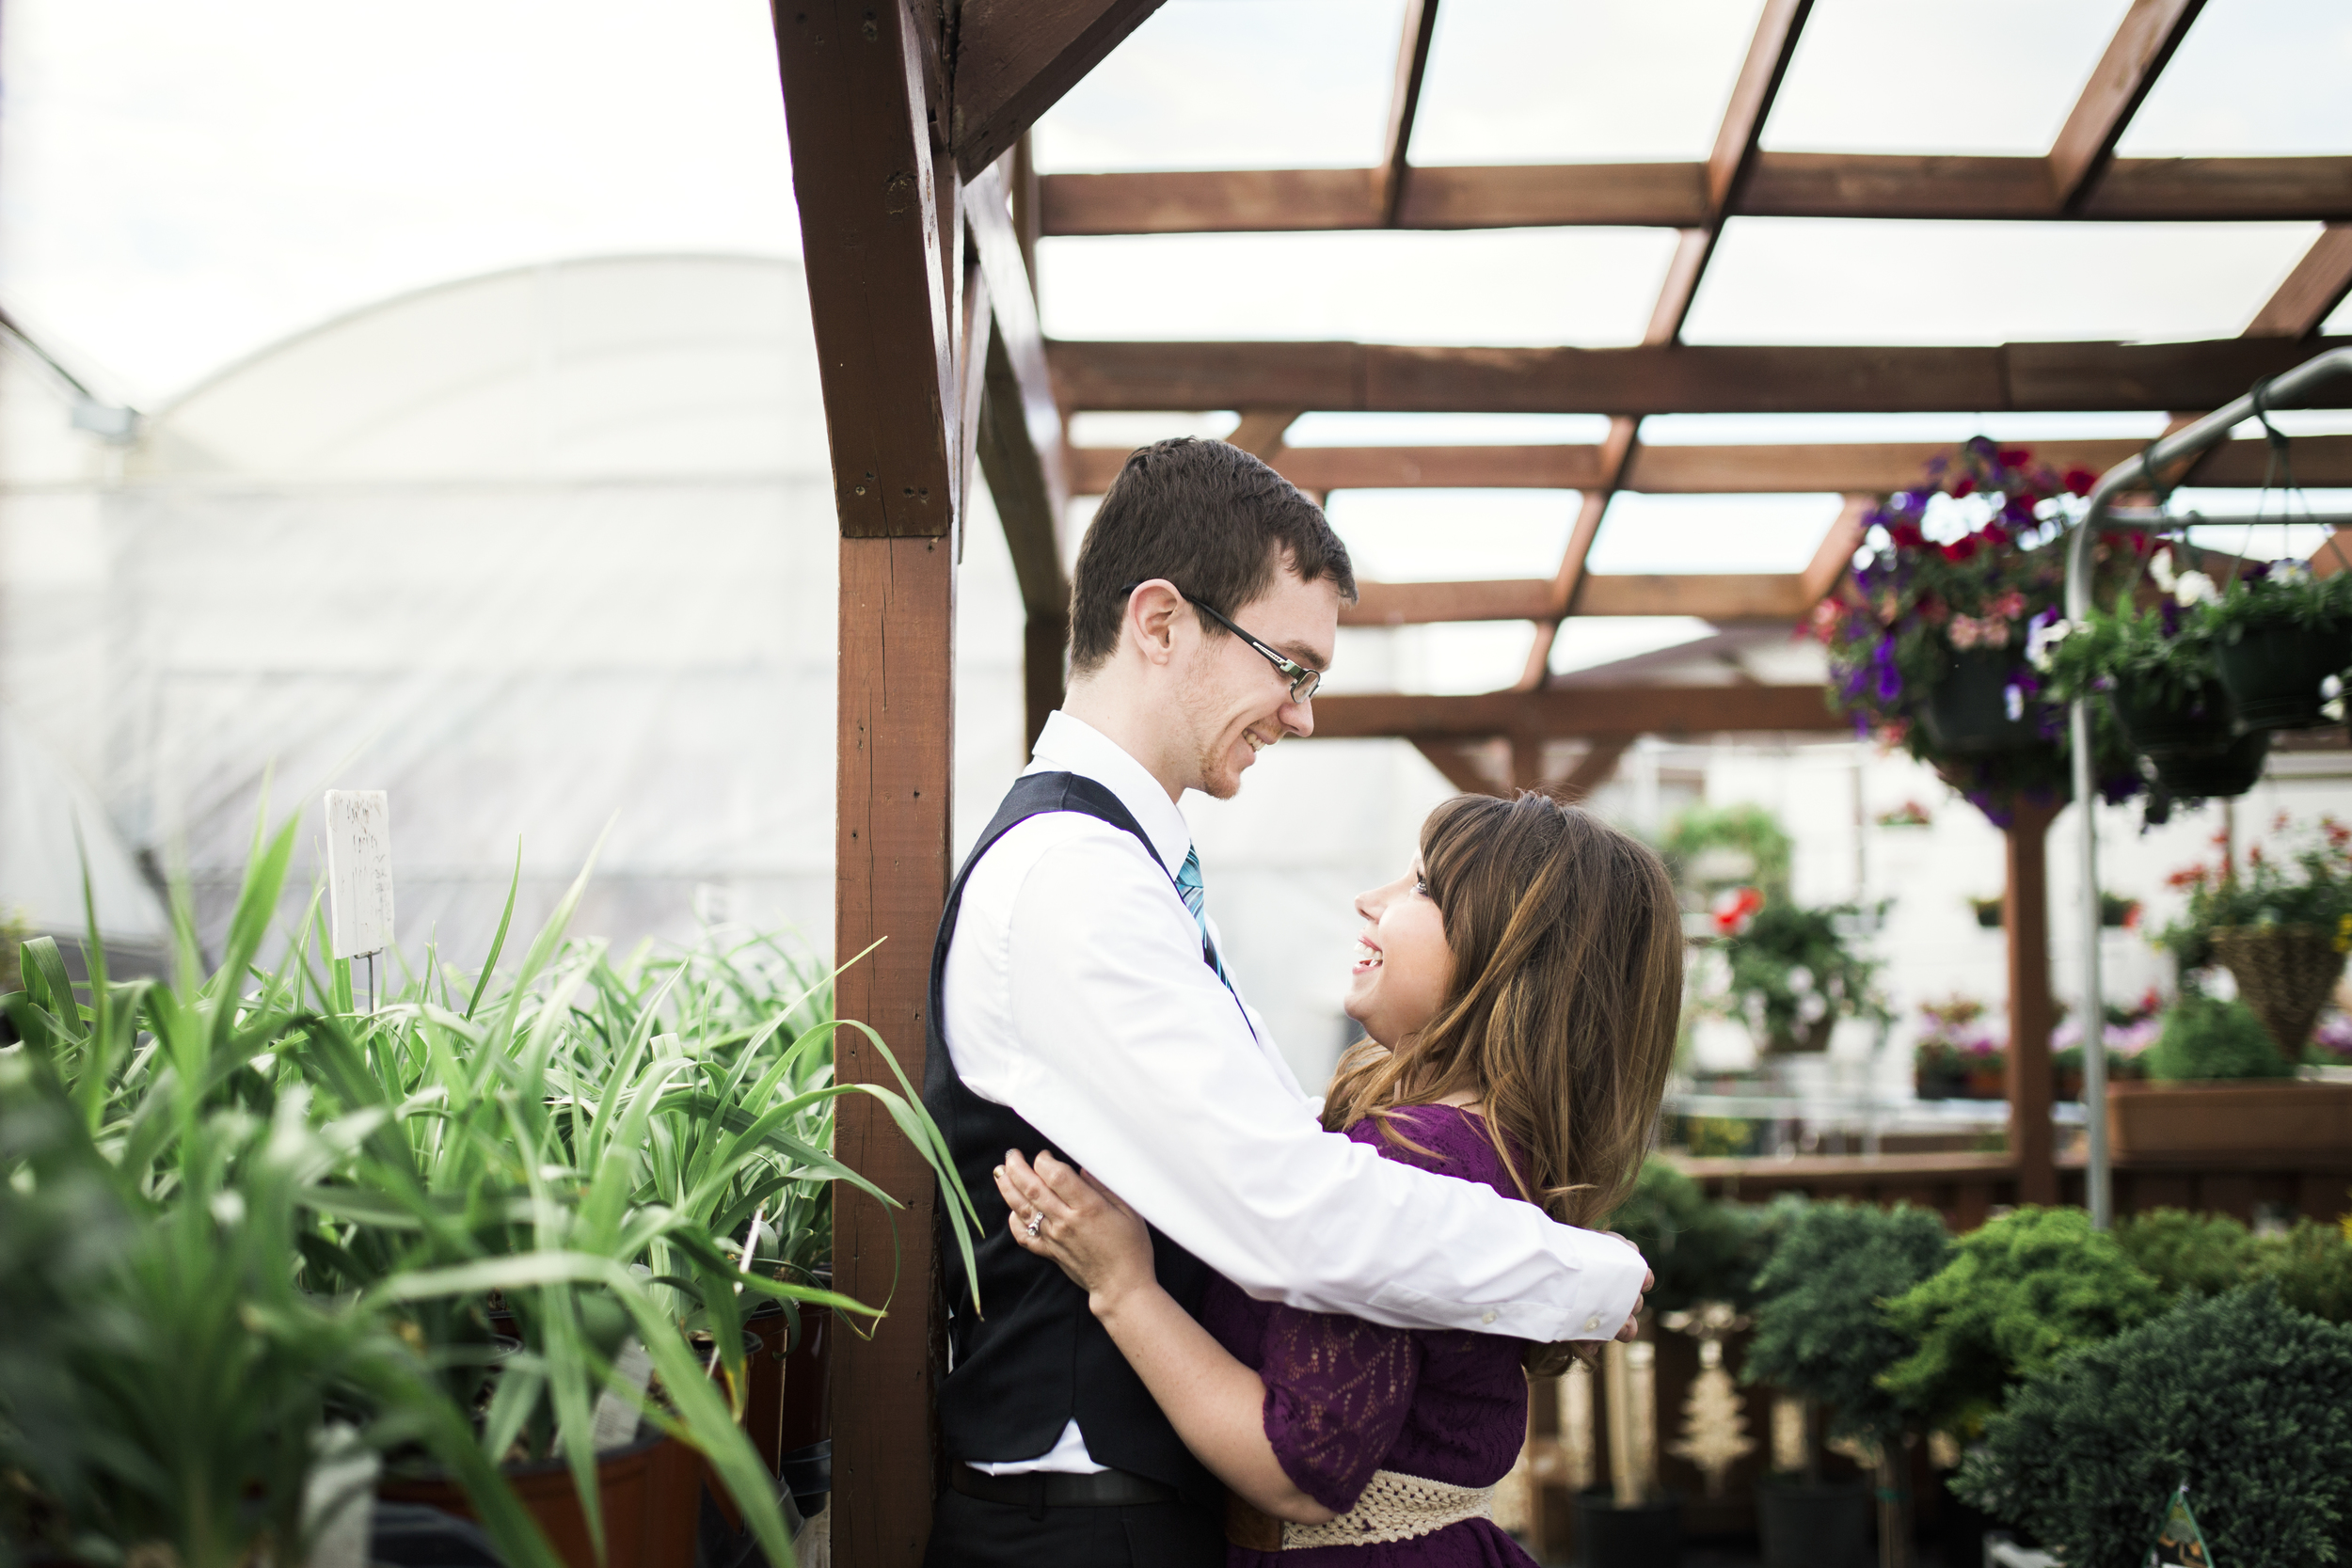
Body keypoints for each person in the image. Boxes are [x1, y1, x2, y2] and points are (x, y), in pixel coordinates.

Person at [921, 438, 1653, 1568]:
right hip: (1082, 1521)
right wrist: (1583, 1273)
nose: (1301, 714)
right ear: (1159, 622)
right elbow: (1293, 1215)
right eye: (1290, 665)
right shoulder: (1074, 877)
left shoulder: (1122, 867)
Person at [998, 792, 1684, 1563]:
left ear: (1506, 957)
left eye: (1422, 885)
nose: (1371, 899)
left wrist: (1123, 1286)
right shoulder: (1475, 1142)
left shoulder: (1417, 1152)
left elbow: (1301, 1471)